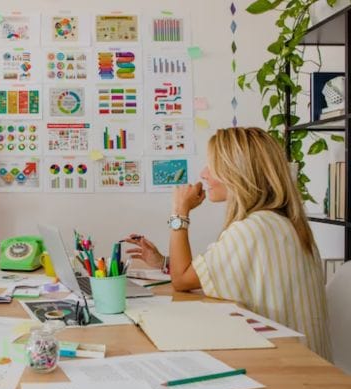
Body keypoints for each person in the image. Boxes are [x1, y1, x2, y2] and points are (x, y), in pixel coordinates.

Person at [124, 127, 331, 359]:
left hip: (288, 365)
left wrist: (180, 211)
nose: (203, 174)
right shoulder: (281, 222)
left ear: (237, 172)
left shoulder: (251, 230)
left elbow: (182, 280)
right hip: (304, 358)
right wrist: (163, 262)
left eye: (212, 166)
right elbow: (207, 275)